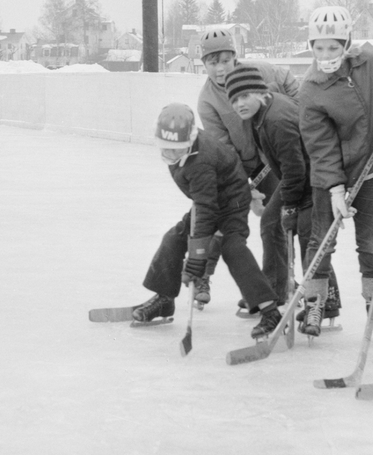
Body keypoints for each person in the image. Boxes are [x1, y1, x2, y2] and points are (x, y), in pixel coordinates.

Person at [132, 103, 280, 339]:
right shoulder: (183, 147)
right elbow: (203, 204)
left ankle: (270, 311)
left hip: (231, 205)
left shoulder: (200, 161)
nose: (169, 154)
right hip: (208, 200)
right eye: (165, 147)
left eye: (176, 149)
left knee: (233, 249)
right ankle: (164, 300)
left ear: (189, 140)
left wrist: (197, 256)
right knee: (173, 239)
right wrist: (196, 250)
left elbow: (205, 209)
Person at [296, 4, 373, 338]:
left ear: (347, 44)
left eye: (333, 47)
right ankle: (315, 302)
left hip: (368, 170)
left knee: (371, 242)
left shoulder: (369, 61)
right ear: (311, 46)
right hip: (329, 178)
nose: (326, 54)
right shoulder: (311, 89)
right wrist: (336, 189)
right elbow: (320, 146)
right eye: (319, 47)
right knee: (322, 239)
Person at [222, 63, 343, 322]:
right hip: (299, 176)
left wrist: (289, 205)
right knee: (271, 223)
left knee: (308, 236)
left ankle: (326, 300)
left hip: (314, 179)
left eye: (244, 96)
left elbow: (296, 168)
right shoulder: (263, 111)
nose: (239, 104)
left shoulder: (277, 119)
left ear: (259, 92)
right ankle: (276, 290)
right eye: (234, 99)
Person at [195, 26, 298, 312]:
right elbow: (224, 150)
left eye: (225, 60)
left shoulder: (259, 72)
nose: (220, 69)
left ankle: (278, 283)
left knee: (277, 223)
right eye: (212, 62)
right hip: (243, 167)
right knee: (221, 218)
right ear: (203, 64)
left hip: (276, 159)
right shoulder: (207, 101)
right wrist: (246, 187)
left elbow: (292, 86)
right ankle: (202, 276)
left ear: (235, 57)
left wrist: (292, 117)